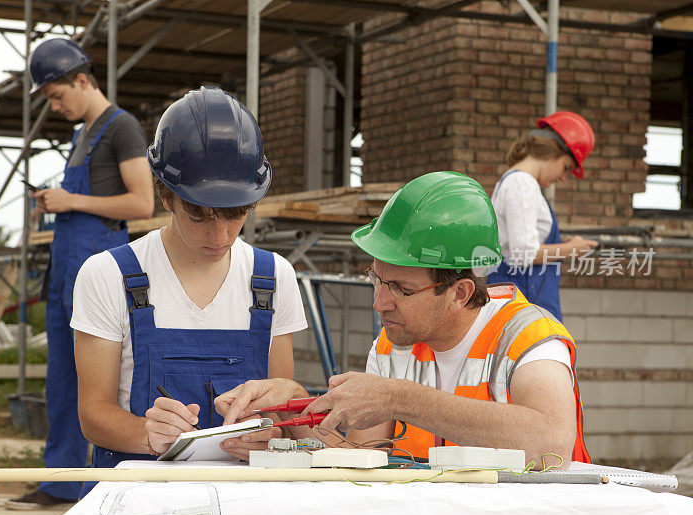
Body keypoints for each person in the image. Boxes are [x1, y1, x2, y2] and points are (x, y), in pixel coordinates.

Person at [216, 171, 591, 467]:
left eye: (401, 288)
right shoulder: (392, 344)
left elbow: (551, 442)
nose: (380, 303)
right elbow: (361, 456)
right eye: (376, 279)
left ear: (459, 293)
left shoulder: (529, 338)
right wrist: (294, 415)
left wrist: (398, 399)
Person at [69, 86, 308, 494]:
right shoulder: (107, 275)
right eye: (199, 215)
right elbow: (93, 414)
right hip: (138, 497)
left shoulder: (273, 278)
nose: (221, 235)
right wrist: (146, 432)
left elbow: (278, 406)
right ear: (166, 194)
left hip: (244, 500)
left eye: (236, 214)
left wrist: (270, 432)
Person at [6, 39, 154, 509]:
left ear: (83, 80)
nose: (54, 105)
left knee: (103, 381)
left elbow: (142, 203)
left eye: (56, 95)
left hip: (97, 267)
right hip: (66, 267)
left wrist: (71, 201)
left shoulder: (122, 128)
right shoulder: (81, 136)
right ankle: (62, 482)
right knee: (63, 378)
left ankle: (104, 486)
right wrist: (55, 201)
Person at [485, 111, 599, 321]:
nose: (564, 177)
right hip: (523, 302)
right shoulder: (522, 184)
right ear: (551, 152)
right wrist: (571, 249)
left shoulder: (516, 182)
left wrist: (563, 244)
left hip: (523, 300)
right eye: (566, 167)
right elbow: (524, 253)